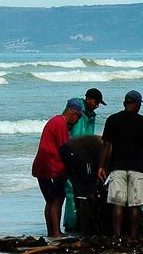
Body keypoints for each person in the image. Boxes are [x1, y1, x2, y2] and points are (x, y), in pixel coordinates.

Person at [97, 90, 143, 238]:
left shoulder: (113, 120)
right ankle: (134, 235)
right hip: (138, 168)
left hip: (117, 167)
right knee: (135, 205)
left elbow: (106, 145)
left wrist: (101, 166)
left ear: (125, 103)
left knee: (118, 204)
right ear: (137, 104)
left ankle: (117, 236)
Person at [32, 99, 83, 238]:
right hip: (52, 167)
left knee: (49, 201)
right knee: (57, 200)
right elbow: (64, 149)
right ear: (72, 112)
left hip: (41, 166)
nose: (77, 120)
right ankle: (56, 232)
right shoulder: (61, 124)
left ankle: (51, 232)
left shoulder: (54, 121)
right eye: (78, 116)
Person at [64, 88, 107, 232]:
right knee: (71, 188)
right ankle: (71, 222)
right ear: (88, 99)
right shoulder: (76, 109)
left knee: (84, 189)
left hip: (85, 154)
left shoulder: (91, 115)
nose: (97, 106)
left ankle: (82, 221)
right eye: (96, 102)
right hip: (72, 153)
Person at [59, 134, 104, 236]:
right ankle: (84, 230)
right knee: (84, 192)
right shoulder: (106, 147)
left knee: (79, 190)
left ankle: (81, 226)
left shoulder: (101, 143)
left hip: (68, 150)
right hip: (76, 153)